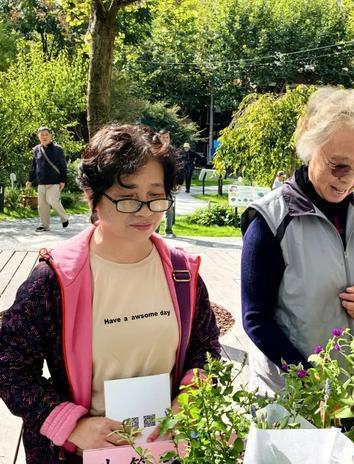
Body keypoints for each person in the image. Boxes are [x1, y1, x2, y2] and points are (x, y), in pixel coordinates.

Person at [0, 124, 221, 463]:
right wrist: (71, 424)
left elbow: (205, 349)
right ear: (92, 196)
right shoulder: (55, 280)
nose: (145, 210)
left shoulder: (182, 275)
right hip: (78, 454)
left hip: (164, 450)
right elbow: (10, 366)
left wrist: (188, 400)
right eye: (128, 197)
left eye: (155, 195)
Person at [240, 87, 354, 393]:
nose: (349, 179)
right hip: (295, 393)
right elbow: (256, 320)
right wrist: (309, 381)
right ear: (310, 148)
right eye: (338, 165)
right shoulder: (270, 220)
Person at [26, 126, 69, 232]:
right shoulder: (36, 150)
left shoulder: (58, 149)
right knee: (42, 205)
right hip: (41, 183)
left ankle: (64, 218)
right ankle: (44, 225)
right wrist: (30, 179)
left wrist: (63, 180)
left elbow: (63, 165)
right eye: (42, 135)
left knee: (53, 200)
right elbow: (34, 166)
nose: (44, 137)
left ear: (50, 136)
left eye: (46, 134)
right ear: (38, 137)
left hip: (54, 182)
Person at [157, 129, 183, 238]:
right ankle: (155, 232)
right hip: (157, 183)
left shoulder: (173, 151)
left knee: (169, 208)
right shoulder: (155, 150)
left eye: (167, 137)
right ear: (159, 138)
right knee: (157, 207)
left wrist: (180, 182)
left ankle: (168, 231)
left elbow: (180, 167)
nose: (166, 140)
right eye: (163, 137)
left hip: (169, 184)